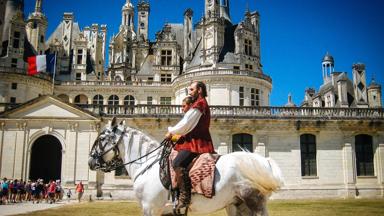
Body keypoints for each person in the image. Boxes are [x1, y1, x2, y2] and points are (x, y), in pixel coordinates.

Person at [166, 81, 215, 209]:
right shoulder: (198, 104)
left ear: (199, 90)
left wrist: (171, 131)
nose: (189, 92)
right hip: (193, 140)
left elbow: (186, 124)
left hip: (196, 143)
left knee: (177, 163)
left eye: (192, 89)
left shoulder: (200, 104)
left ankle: (185, 197)